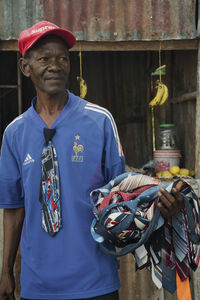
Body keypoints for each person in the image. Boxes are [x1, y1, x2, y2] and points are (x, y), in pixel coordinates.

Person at [0, 21, 184, 300]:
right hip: (38, 285)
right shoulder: (14, 133)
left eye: (62, 58)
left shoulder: (99, 121)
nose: (55, 65)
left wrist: (159, 206)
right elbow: (13, 208)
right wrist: (6, 272)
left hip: (96, 280)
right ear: (25, 67)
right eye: (44, 59)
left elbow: (122, 197)